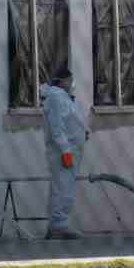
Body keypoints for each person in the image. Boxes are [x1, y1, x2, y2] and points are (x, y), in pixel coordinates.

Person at [41, 70, 90, 239]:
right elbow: (57, 126)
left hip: (70, 151)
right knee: (62, 188)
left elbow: (70, 121)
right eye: (70, 80)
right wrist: (65, 150)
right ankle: (58, 226)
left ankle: (60, 224)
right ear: (62, 81)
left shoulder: (62, 97)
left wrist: (82, 132)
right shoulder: (56, 97)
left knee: (66, 187)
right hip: (64, 153)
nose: (72, 83)